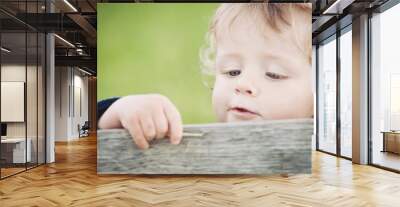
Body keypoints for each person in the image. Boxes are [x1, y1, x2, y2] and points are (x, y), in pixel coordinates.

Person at [98, 3, 313, 149]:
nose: (243, 83)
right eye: (232, 71)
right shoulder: (204, 148)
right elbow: (95, 137)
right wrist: (119, 110)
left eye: (274, 74)